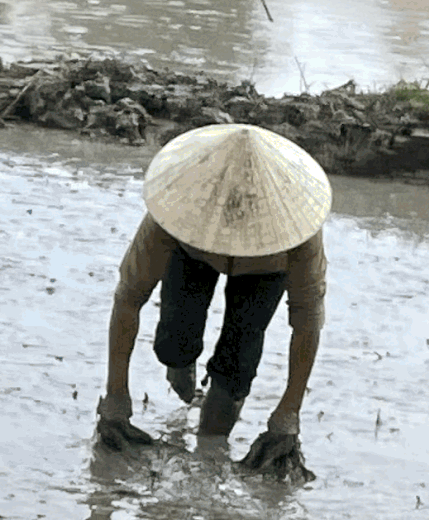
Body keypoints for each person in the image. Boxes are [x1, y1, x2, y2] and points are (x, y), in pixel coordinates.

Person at [96, 121, 331, 473]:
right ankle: (182, 366)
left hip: (264, 270)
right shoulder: (172, 216)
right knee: (174, 341)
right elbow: (129, 297)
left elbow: (308, 322)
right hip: (192, 253)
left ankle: (209, 458)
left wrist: (288, 414)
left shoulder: (298, 238)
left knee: (237, 367)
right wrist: (116, 397)